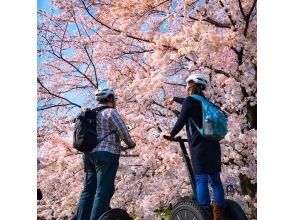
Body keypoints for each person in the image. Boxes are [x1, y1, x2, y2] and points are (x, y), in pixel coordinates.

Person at [166, 73, 225, 220]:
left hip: (199, 146)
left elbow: (182, 119)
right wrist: (174, 99)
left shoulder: (190, 101)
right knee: (216, 180)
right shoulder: (208, 103)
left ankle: (203, 212)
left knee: (201, 179)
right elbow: (187, 102)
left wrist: (172, 134)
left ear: (189, 86)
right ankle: (218, 214)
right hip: (213, 145)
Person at [76, 88, 136, 220]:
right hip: (106, 155)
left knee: (88, 191)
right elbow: (123, 132)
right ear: (110, 99)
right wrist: (131, 144)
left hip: (88, 156)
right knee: (103, 190)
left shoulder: (90, 114)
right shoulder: (110, 112)